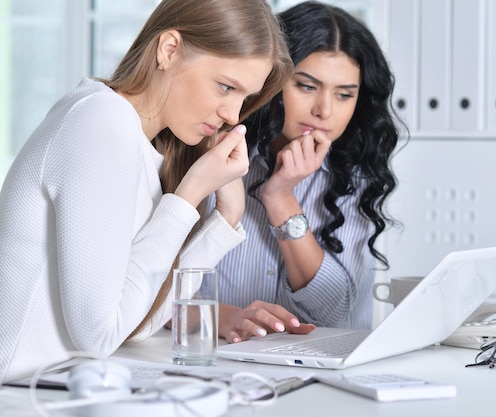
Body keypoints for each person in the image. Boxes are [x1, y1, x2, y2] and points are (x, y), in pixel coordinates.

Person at [0, 0, 294, 383]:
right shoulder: (102, 120)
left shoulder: (149, 151)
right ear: (168, 50)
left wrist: (226, 218)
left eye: (244, 98)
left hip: (53, 390)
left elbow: (139, 324)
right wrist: (189, 196)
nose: (233, 115)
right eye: (225, 86)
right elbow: (99, 337)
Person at [216, 1, 401, 344]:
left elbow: (337, 314)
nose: (324, 111)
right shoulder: (218, 157)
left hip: (320, 372)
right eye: (306, 86)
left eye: (344, 95)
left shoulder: (358, 175)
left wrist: (281, 198)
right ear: (271, 80)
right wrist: (220, 318)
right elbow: (154, 290)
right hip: (219, 362)